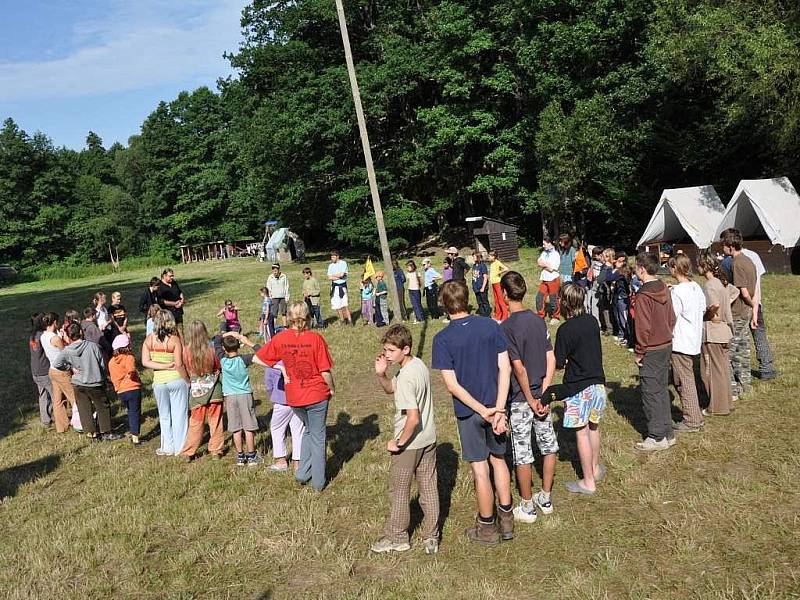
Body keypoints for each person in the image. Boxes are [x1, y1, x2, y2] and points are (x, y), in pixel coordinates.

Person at [432, 280, 513, 545]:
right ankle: (507, 518)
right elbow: (506, 368)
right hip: (496, 406)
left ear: (444, 304)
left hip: (470, 412)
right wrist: (499, 408)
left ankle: (487, 527)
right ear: (467, 298)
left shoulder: (442, 339)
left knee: (480, 468)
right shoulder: (491, 325)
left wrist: (483, 410)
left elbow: (451, 384)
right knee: (498, 460)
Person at [372, 324, 439, 555]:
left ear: (406, 349)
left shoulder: (408, 377)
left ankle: (397, 537)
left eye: (391, 350)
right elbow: (392, 388)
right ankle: (431, 536)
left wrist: (398, 442)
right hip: (428, 438)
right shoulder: (417, 365)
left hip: (410, 443)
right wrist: (382, 374)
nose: (387, 355)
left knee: (399, 491)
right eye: (386, 350)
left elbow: (412, 418)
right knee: (429, 488)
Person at [255, 301, 334, 492]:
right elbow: (325, 371)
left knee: (309, 430)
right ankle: (318, 482)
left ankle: (302, 474)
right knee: (318, 436)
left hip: (294, 398)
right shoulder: (315, 339)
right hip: (316, 395)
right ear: (308, 317)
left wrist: (280, 367)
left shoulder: (280, 338)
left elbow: (258, 357)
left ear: (288, 318)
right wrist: (331, 389)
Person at [500, 272, 558, 519]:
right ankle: (545, 497)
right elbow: (551, 357)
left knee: (522, 452)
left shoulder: (507, 327)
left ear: (504, 294)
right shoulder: (538, 320)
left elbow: (518, 368)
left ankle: (526, 505)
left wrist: (531, 399)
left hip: (522, 400)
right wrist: (544, 394)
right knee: (548, 446)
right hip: (542, 397)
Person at [553, 283, 607, 494]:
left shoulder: (565, 330)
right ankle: (594, 468)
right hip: (598, 385)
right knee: (594, 427)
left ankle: (588, 482)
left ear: (564, 302)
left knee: (582, 433)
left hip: (578, 387)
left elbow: (559, 362)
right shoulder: (592, 321)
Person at [632, 252, 677, 452]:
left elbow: (642, 328)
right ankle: (667, 432)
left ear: (642, 269)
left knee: (650, 391)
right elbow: (672, 318)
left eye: (636, 268)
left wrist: (640, 351)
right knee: (661, 389)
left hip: (651, 348)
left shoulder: (643, 295)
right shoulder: (664, 288)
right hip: (666, 344)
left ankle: (657, 436)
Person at [720, 229, 777, 380]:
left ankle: (737, 376)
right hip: (754, 301)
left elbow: (727, 285)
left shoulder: (728, 261)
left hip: (740, 306)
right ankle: (767, 369)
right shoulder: (753, 256)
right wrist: (756, 306)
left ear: (731, 245)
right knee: (758, 336)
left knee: (738, 343)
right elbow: (757, 283)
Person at [52, 321, 123, 442]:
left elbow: (57, 363)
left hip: (78, 384)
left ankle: (92, 434)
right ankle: (106, 432)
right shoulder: (92, 346)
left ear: (69, 336)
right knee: (102, 406)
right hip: (95, 382)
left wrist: (70, 368)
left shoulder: (67, 350)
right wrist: (104, 376)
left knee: (84, 409)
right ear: (80, 332)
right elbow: (102, 363)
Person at [142, 309, 190, 456]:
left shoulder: (149, 339)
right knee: (179, 414)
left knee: (164, 415)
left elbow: (145, 361)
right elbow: (179, 364)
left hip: (159, 382)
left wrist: (161, 366)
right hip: (176, 379)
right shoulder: (174, 340)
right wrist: (187, 380)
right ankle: (180, 447)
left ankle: (167, 447)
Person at [668, 255, 706, 434]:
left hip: (681, 341)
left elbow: (672, 316)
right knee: (687, 377)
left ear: (675, 268)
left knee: (683, 380)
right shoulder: (695, 287)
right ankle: (696, 415)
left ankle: (691, 420)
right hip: (693, 339)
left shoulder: (678, 292)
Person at [214, 331, 263, 466]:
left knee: (236, 427)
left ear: (224, 348)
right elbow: (263, 353)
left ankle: (240, 456)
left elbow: (216, 340)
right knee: (248, 426)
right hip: (244, 395)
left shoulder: (222, 359)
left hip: (229, 396)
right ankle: (252, 456)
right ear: (239, 346)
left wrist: (228, 333)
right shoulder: (244, 359)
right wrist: (245, 339)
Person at [179, 321, 224, 460]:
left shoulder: (186, 351)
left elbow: (184, 367)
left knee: (196, 422)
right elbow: (218, 366)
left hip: (196, 390)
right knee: (215, 421)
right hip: (214, 389)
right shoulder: (212, 349)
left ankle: (189, 452)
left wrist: (189, 381)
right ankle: (215, 450)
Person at [696, 251, 734, 417]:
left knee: (710, 371)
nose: (696, 267)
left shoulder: (710, 284)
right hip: (725, 331)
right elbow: (735, 292)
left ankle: (717, 407)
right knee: (723, 369)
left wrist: (708, 314)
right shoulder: (722, 282)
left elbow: (715, 304)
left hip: (714, 332)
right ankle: (726, 402)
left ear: (704, 266)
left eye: (698, 264)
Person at [721, 230, 757, 401]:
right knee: (742, 349)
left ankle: (733, 391)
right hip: (746, 312)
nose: (722, 249)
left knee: (728, 352)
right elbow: (754, 288)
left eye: (724, 245)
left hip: (737, 312)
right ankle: (746, 385)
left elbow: (742, 291)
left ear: (731, 246)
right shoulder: (749, 260)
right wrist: (754, 309)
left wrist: (751, 303)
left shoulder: (736, 263)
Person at [265, 360, 304, 472]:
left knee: (277, 429)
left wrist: (272, 396)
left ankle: (281, 461)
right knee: (298, 431)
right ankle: (298, 463)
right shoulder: (296, 360)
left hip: (281, 401)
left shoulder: (274, 363)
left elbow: (268, 383)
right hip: (298, 401)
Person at [108, 333, 142, 445]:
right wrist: (132, 375)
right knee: (135, 412)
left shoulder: (111, 362)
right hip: (132, 388)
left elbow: (113, 377)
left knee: (129, 411)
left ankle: (132, 433)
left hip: (121, 391)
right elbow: (131, 370)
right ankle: (135, 437)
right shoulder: (129, 357)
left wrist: (117, 387)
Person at [29, 312, 53, 428]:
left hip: (35, 370)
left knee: (42, 394)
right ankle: (60, 419)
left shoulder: (33, 335)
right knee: (55, 395)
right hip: (44, 370)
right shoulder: (42, 336)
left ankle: (45, 420)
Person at [606, 252, 633, 349]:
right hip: (617, 297)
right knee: (618, 317)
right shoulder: (618, 270)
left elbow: (609, 278)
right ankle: (622, 335)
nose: (620, 263)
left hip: (623, 298)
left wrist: (609, 267)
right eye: (618, 260)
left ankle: (629, 339)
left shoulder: (622, 271)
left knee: (624, 319)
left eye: (622, 261)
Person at [536, 236, 561, 324]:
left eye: (544, 244)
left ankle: (556, 317)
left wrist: (543, 264)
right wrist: (545, 264)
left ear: (550, 243)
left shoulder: (555, 254)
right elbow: (538, 262)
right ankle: (540, 316)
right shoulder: (543, 253)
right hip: (544, 279)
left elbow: (552, 269)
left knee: (553, 299)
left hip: (553, 279)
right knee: (539, 298)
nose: (543, 246)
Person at [157, 268, 186, 337]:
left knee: (181, 332)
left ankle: (182, 346)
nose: (172, 278)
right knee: (172, 333)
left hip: (178, 312)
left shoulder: (174, 283)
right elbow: (161, 301)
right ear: (164, 276)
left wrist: (182, 300)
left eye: (173, 276)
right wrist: (174, 303)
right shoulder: (160, 286)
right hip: (168, 314)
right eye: (170, 276)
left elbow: (180, 292)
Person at [327, 250, 353, 326]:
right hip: (335, 287)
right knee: (337, 305)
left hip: (342, 286)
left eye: (333, 257)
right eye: (331, 257)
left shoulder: (343, 263)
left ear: (337, 256)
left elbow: (342, 274)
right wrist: (338, 276)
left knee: (345, 304)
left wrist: (335, 276)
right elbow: (329, 277)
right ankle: (342, 320)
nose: (332, 258)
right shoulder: (330, 266)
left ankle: (350, 320)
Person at [265, 263, 290, 329]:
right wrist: (269, 297)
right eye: (273, 271)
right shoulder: (270, 277)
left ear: (278, 270)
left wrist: (287, 297)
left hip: (282, 296)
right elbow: (268, 287)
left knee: (284, 312)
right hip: (274, 297)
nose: (274, 272)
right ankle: (273, 327)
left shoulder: (284, 276)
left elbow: (286, 286)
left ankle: (285, 326)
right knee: (274, 313)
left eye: (276, 270)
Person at [488, 250, 509, 321]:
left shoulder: (497, 262)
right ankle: (498, 315)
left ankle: (505, 316)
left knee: (501, 300)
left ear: (494, 256)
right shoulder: (492, 264)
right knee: (496, 300)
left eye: (490, 256)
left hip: (498, 283)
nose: (489, 257)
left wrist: (499, 272)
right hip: (493, 283)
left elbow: (506, 268)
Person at [585, 246, 604, 323]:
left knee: (599, 305)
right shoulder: (593, 262)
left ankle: (601, 322)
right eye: (594, 254)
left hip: (601, 285)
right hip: (593, 284)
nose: (595, 256)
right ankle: (595, 322)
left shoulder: (604, 264)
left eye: (597, 254)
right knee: (592, 304)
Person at [471, 251, 490, 318]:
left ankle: (487, 315)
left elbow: (485, 277)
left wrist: (483, 287)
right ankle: (482, 315)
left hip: (482, 287)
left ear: (478, 257)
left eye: (474, 256)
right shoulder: (474, 266)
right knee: (479, 302)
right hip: (476, 287)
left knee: (484, 302)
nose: (473, 257)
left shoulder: (482, 265)